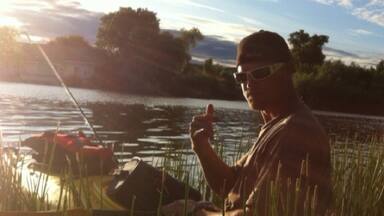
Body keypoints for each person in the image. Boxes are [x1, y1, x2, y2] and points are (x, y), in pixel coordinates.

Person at [162, 30, 332, 216]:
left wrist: (195, 212)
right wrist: (202, 147)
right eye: (242, 77)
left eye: (261, 73)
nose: (249, 84)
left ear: (287, 71)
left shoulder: (296, 131)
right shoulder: (275, 125)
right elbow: (231, 185)